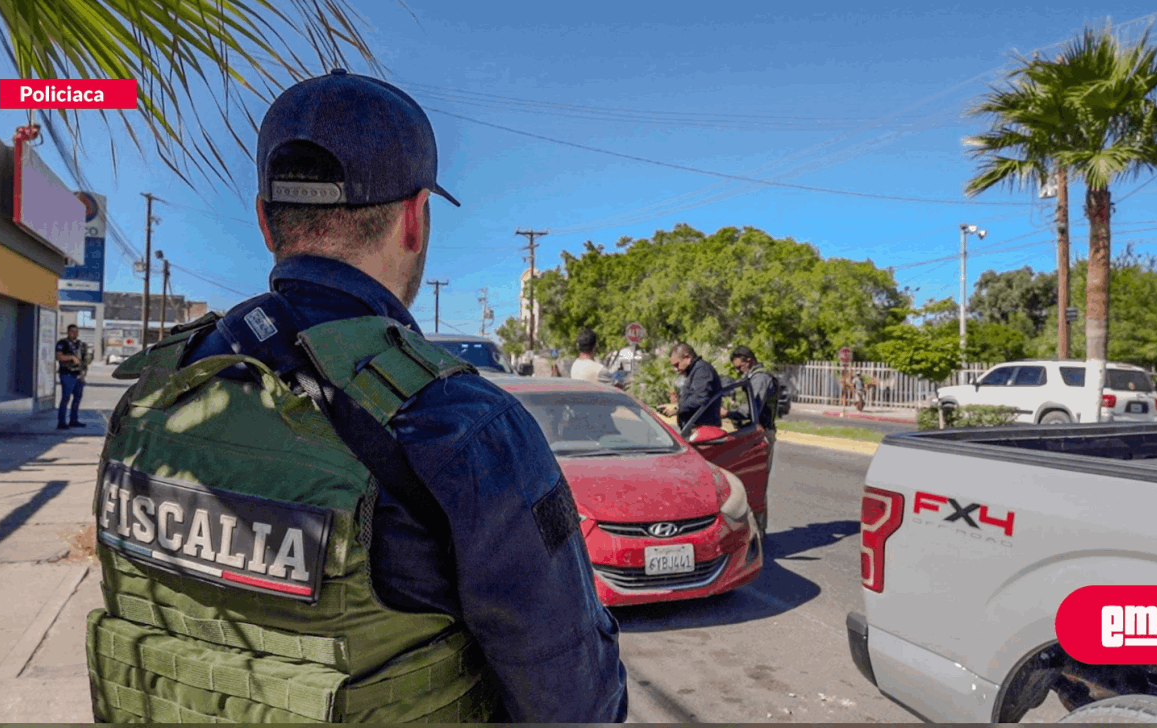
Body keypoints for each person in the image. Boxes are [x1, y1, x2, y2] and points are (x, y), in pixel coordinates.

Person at [87, 70, 627, 724]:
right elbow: (575, 703)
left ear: (265, 220)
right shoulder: (465, 427)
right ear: (414, 218)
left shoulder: (158, 384)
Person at [658, 342, 720, 429]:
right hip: (695, 428)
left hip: (702, 428)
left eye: (677, 365)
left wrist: (678, 408)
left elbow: (700, 398)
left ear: (687, 357)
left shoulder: (702, 369)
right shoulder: (694, 371)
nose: (675, 369)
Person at [721, 345, 781, 431]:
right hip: (749, 431)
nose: (738, 371)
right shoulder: (749, 378)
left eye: (739, 367)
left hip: (760, 432)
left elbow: (753, 409)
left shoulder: (760, 378)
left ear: (749, 361)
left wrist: (728, 413)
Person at [55, 324, 90, 429]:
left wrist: (84, 373)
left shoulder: (80, 345)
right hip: (67, 374)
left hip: (78, 374)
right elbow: (59, 356)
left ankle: (73, 420)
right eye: (72, 331)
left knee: (77, 398)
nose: (74, 333)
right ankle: (62, 422)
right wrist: (71, 357)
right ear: (68, 331)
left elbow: (85, 361)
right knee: (66, 398)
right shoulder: (62, 343)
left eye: (76, 331)